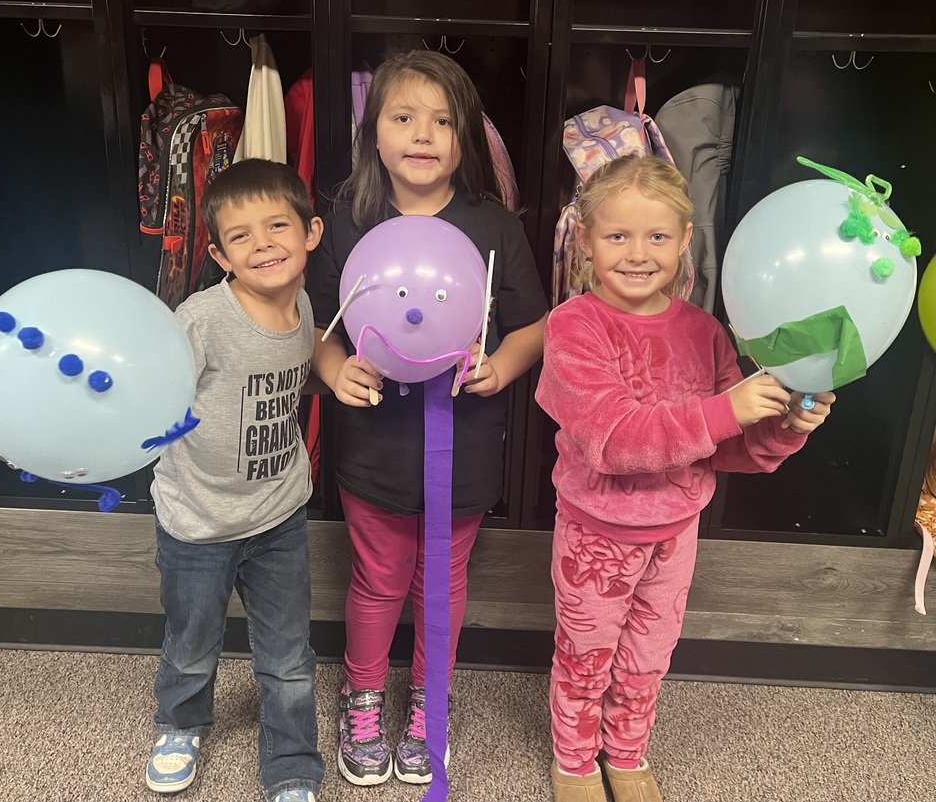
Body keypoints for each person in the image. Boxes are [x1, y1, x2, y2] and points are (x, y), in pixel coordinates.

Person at [535, 154, 835, 802]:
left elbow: (732, 448)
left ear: (685, 240)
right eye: (618, 235)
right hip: (596, 534)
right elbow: (612, 438)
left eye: (657, 236)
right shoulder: (573, 327)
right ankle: (576, 759)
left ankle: (626, 751)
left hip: (676, 534)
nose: (638, 253)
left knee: (648, 655)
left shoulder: (704, 331)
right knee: (587, 653)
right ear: (585, 239)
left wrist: (787, 425)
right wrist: (728, 409)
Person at [306, 49, 548, 787]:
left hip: (464, 443)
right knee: (379, 576)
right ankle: (362, 695)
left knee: (440, 579)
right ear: (373, 133)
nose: (422, 134)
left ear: (465, 138)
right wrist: (333, 371)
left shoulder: (495, 225)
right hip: (373, 444)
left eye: (443, 122)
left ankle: (427, 701)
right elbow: (316, 324)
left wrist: (500, 366)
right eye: (404, 117)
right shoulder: (347, 218)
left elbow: (534, 324)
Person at [145, 158, 326, 802]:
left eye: (277, 226)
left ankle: (293, 762)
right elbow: (153, 394)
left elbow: (304, 360)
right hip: (197, 520)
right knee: (192, 643)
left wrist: (340, 372)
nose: (263, 244)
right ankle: (180, 723)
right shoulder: (201, 319)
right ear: (220, 256)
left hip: (279, 516)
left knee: (289, 655)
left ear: (311, 233)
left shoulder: (303, 302)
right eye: (241, 236)